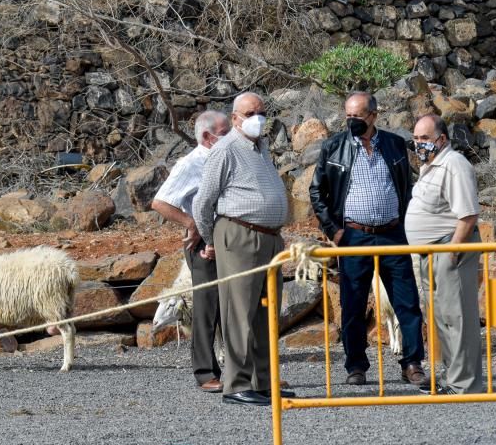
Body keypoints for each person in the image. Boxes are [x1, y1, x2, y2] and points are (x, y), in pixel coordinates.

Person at [309, 91, 426, 387]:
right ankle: (356, 366)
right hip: (354, 236)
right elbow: (317, 192)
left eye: (357, 116)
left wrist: (407, 226)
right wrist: (333, 230)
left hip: (392, 234)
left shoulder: (395, 144)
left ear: (373, 116)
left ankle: (412, 363)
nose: (351, 121)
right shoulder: (334, 147)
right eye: (347, 116)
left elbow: (407, 188)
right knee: (352, 304)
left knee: (407, 302)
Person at [192, 92, 294, 406]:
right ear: (236, 117)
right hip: (239, 236)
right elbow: (202, 202)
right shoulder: (225, 149)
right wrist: (212, 241)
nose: (257, 118)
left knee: (266, 312)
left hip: (268, 238)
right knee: (239, 313)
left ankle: (262, 381)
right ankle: (236, 382)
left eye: (261, 112)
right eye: (250, 113)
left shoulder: (261, 148)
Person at [151, 110, 230, 393]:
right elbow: (160, 202)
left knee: (234, 307)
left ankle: (239, 369)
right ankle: (205, 372)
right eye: (225, 132)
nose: (230, 135)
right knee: (207, 308)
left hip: (230, 242)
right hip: (202, 245)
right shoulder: (190, 164)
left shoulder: (227, 158)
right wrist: (191, 223)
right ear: (208, 137)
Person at [406, 114, 483, 395]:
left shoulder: (454, 165)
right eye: (416, 138)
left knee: (458, 317)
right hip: (433, 251)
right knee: (442, 319)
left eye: (424, 138)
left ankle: (465, 384)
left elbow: (468, 214)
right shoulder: (431, 166)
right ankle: (452, 379)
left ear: (442, 138)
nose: (419, 144)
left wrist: (452, 254)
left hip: (449, 248)